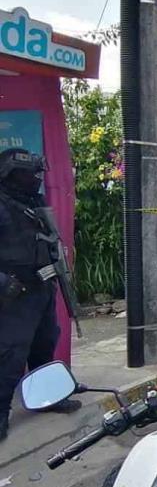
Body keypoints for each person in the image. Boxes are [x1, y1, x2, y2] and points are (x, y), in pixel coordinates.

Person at [0, 148, 80, 442]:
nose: (36, 179)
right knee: (9, 357)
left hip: (41, 289)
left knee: (44, 347)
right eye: (29, 173)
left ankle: (48, 398)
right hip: (14, 296)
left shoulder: (33, 203)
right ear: (11, 174)